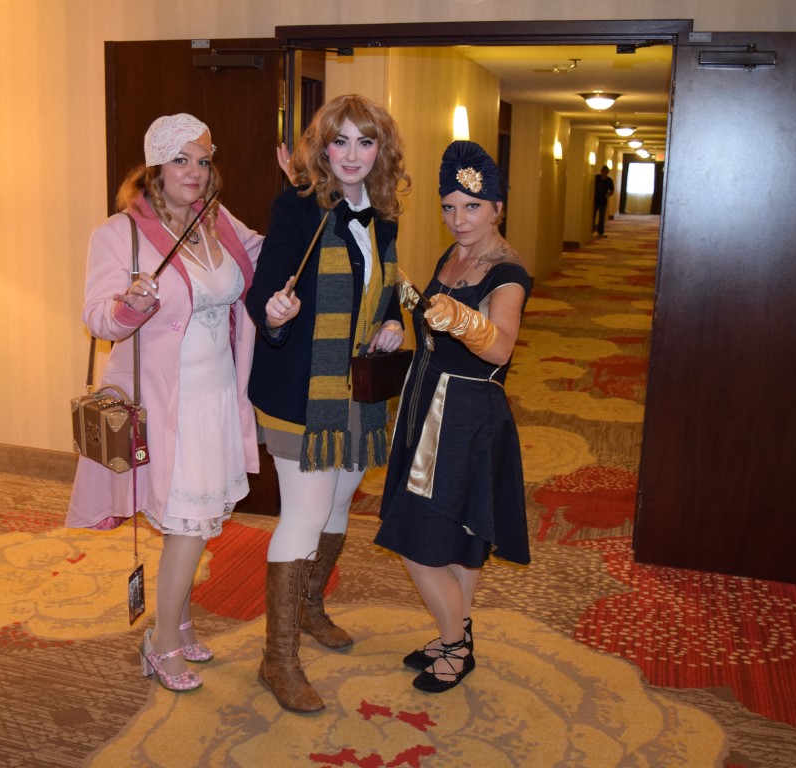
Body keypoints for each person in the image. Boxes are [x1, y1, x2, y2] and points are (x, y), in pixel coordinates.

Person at [66, 114, 263, 693]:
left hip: (218, 397)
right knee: (188, 526)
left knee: (198, 523)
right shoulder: (119, 233)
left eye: (203, 160)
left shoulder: (217, 219)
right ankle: (161, 643)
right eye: (181, 160)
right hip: (169, 406)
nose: (195, 172)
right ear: (155, 167)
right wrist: (129, 303)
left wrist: (309, 194)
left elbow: (267, 255)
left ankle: (179, 621)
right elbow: (98, 319)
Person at [244, 94, 410, 713]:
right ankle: (277, 658)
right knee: (306, 513)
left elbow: (385, 291)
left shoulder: (383, 215)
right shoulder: (298, 207)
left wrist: (392, 322)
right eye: (340, 141)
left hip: (356, 390)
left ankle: (310, 606)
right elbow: (266, 290)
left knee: (341, 499)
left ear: (380, 150)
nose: (352, 155)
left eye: (365, 141)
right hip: (301, 391)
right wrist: (275, 312)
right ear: (322, 147)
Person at [375, 140, 532, 693]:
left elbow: (501, 347)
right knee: (459, 538)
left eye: (472, 206)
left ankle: (456, 644)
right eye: (449, 206)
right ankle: (451, 637)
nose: (459, 219)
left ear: (497, 208)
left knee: (416, 538)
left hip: (463, 415)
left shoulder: (508, 272)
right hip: (426, 402)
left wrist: (465, 322)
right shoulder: (452, 255)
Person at [593, 164, 615, 236]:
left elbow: (612, 190)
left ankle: (601, 232)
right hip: (595, 200)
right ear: (601, 171)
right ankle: (591, 230)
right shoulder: (597, 178)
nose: (605, 173)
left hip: (603, 201)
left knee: (602, 217)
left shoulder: (609, 180)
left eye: (606, 172)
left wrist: (608, 195)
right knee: (593, 216)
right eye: (604, 172)